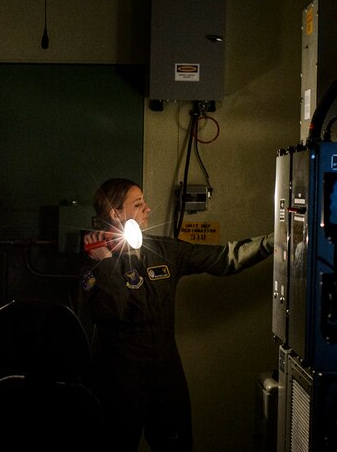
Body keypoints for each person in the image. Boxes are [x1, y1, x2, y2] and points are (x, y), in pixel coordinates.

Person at [77, 177, 273, 452]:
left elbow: (226, 258)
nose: (148, 209)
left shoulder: (163, 250)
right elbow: (110, 309)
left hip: (166, 378)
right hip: (120, 382)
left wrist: (276, 242)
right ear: (115, 213)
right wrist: (107, 263)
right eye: (138, 203)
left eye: (144, 202)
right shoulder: (93, 258)